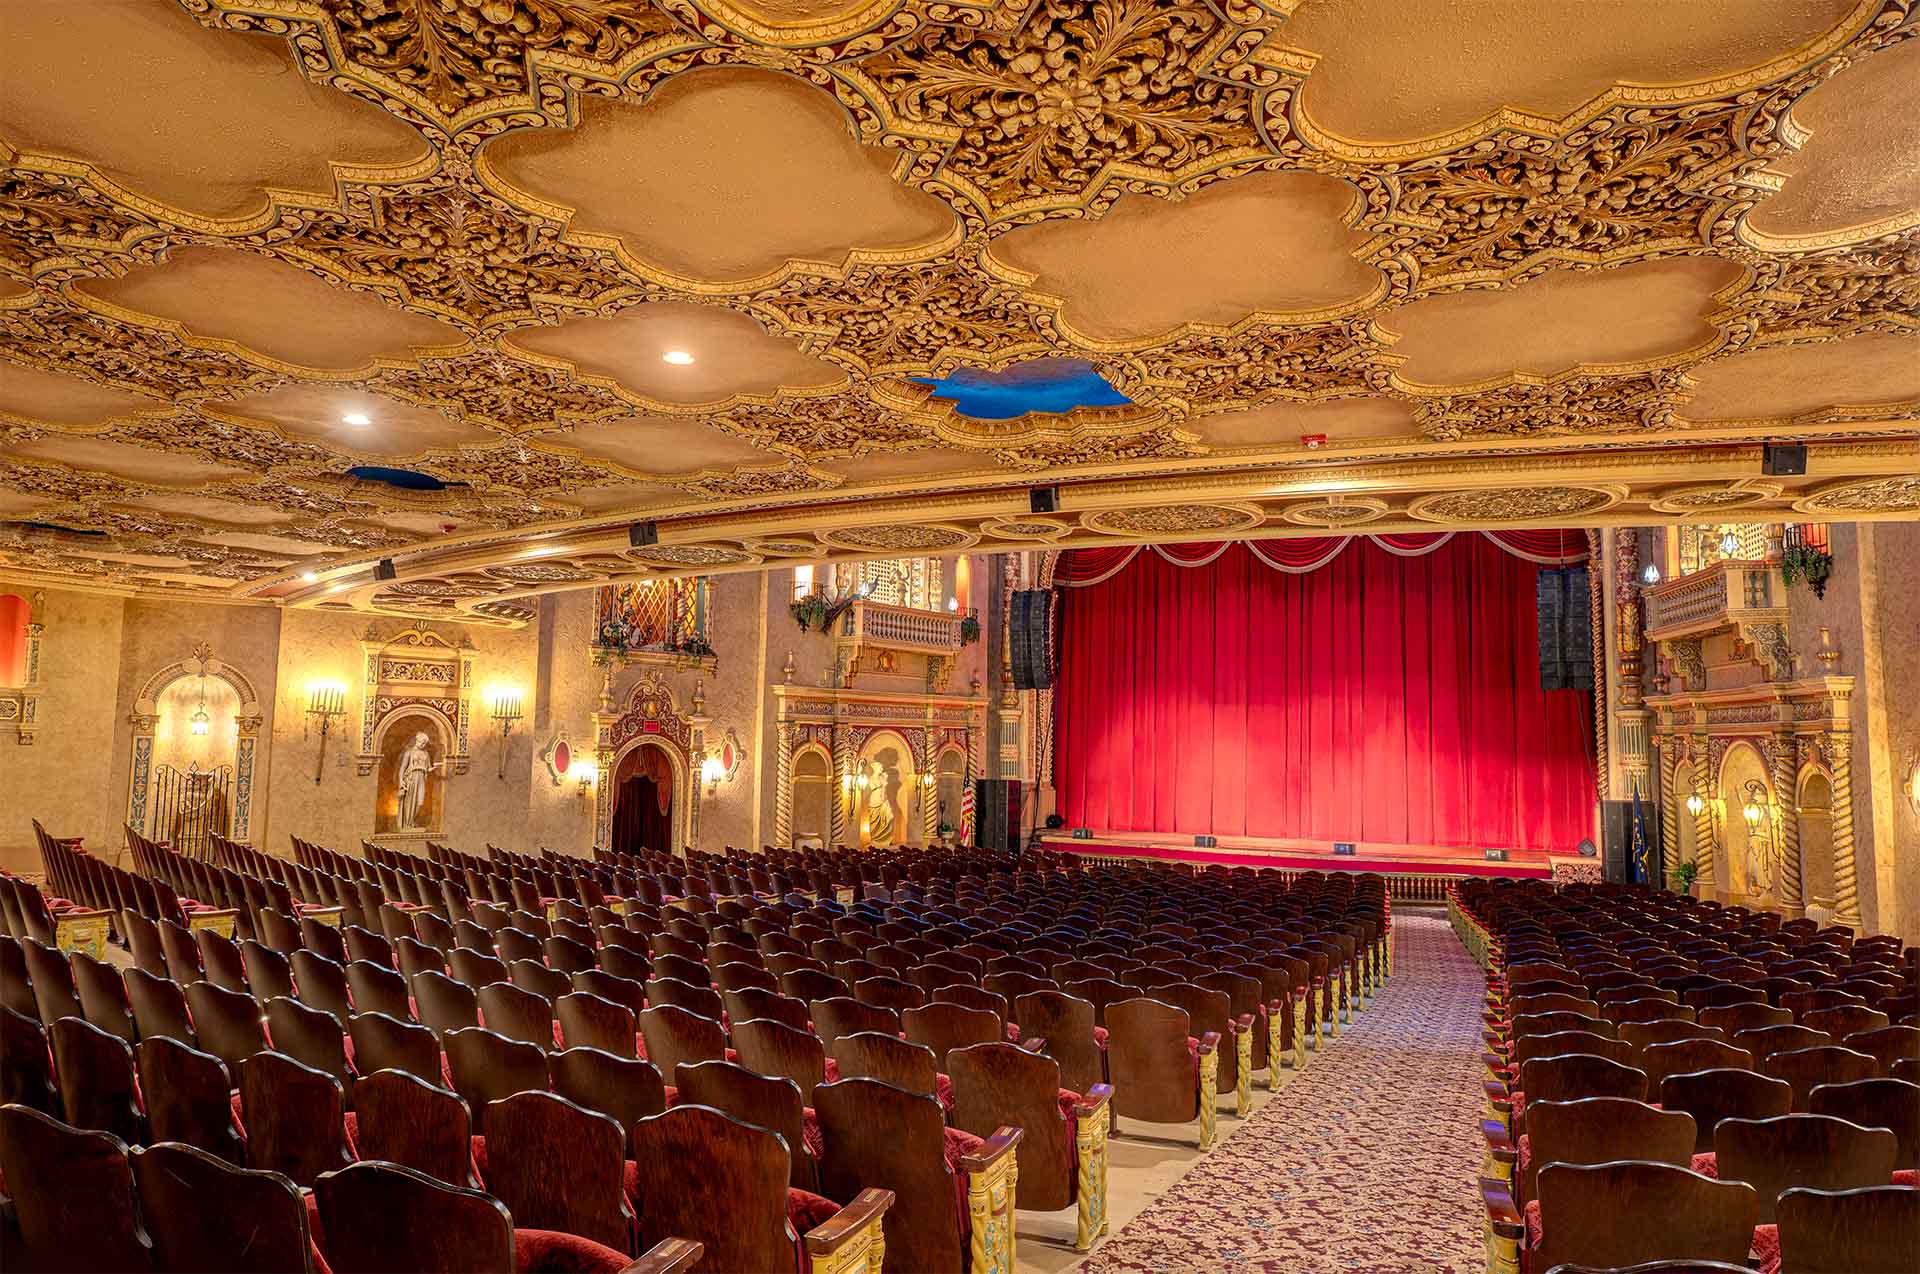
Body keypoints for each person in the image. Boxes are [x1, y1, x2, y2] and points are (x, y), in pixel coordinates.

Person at [397, 731, 443, 829]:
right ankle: (407, 824)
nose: (422, 745)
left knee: (420, 802)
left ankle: (412, 820)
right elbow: (403, 768)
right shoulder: (409, 752)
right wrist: (401, 780)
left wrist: (436, 766)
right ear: (417, 740)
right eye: (421, 742)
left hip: (421, 778)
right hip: (411, 778)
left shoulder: (426, 753)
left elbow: (428, 768)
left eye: (424, 743)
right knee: (409, 801)